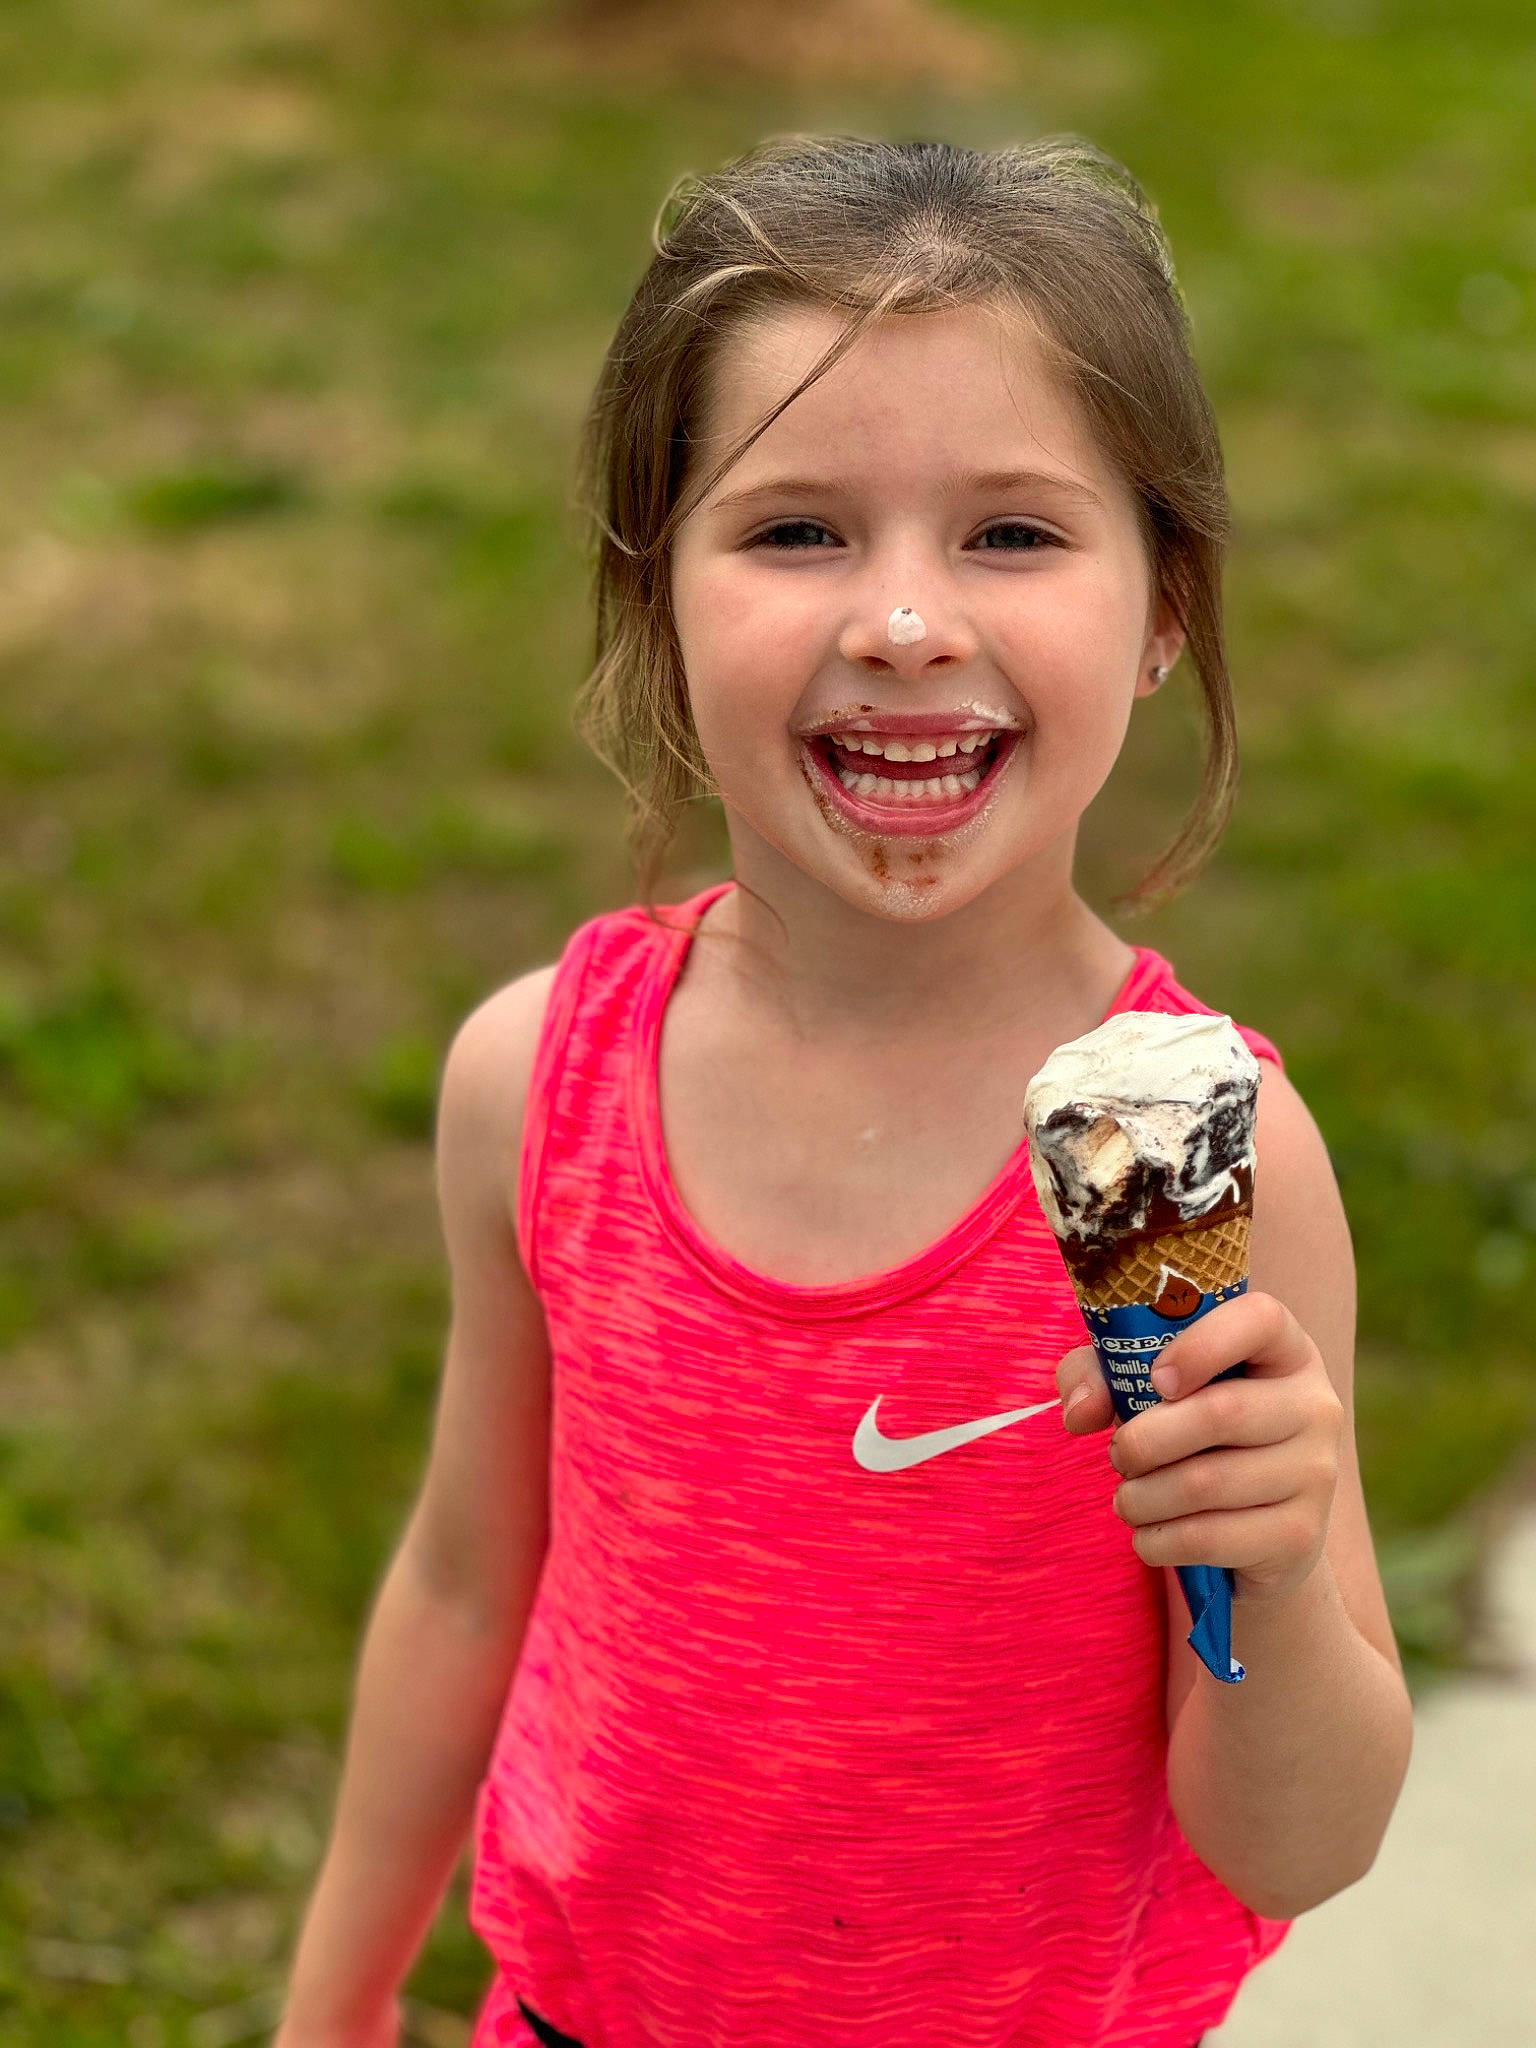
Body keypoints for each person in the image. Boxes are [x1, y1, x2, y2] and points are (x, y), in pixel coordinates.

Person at [274, 137, 1413, 2048]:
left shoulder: (1209, 1168)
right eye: (797, 530)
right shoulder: (537, 1085)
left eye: (1014, 533)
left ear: (1161, 611)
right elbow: (472, 1589)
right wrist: (336, 2000)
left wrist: (1275, 1573)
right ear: (659, 599)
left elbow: (1295, 1845)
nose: (902, 622)